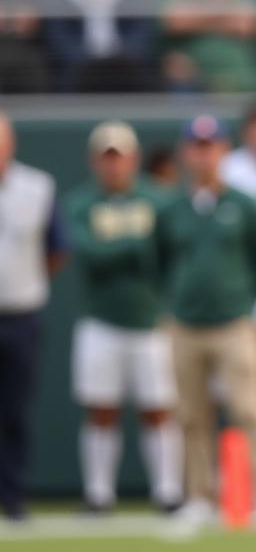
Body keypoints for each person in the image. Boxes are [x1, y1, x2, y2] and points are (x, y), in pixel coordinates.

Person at [155, 114, 256, 528]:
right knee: (191, 414)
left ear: (224, 151)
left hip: (235, 322)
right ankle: (199, 495)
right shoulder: (171, 210)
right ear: (185, 153)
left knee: (250, 410)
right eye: (196, 146)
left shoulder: (245, 205)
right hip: (184, 325)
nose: (203, 154)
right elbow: (158, 263)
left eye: (211, 146)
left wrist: (244, 305)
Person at [65, 121, 182, 513]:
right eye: (106, 158)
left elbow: (167, 255)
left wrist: (120, 247)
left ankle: (167, 492)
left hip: (151, 321)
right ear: (94, 161)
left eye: (120, 158)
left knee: (159, 407)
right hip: (100, 321)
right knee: (101, 408)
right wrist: (136, 243)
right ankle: (98, 494)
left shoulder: (158, 199)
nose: (113, 166)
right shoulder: (81, 203)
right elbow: (91, 256)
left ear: (133, 160)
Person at [0, 114, 68, 520]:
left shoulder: (37, 186)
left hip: (21, 314)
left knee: (15, 411)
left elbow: (57, 248)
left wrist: (27, 282)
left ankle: (13, 496)